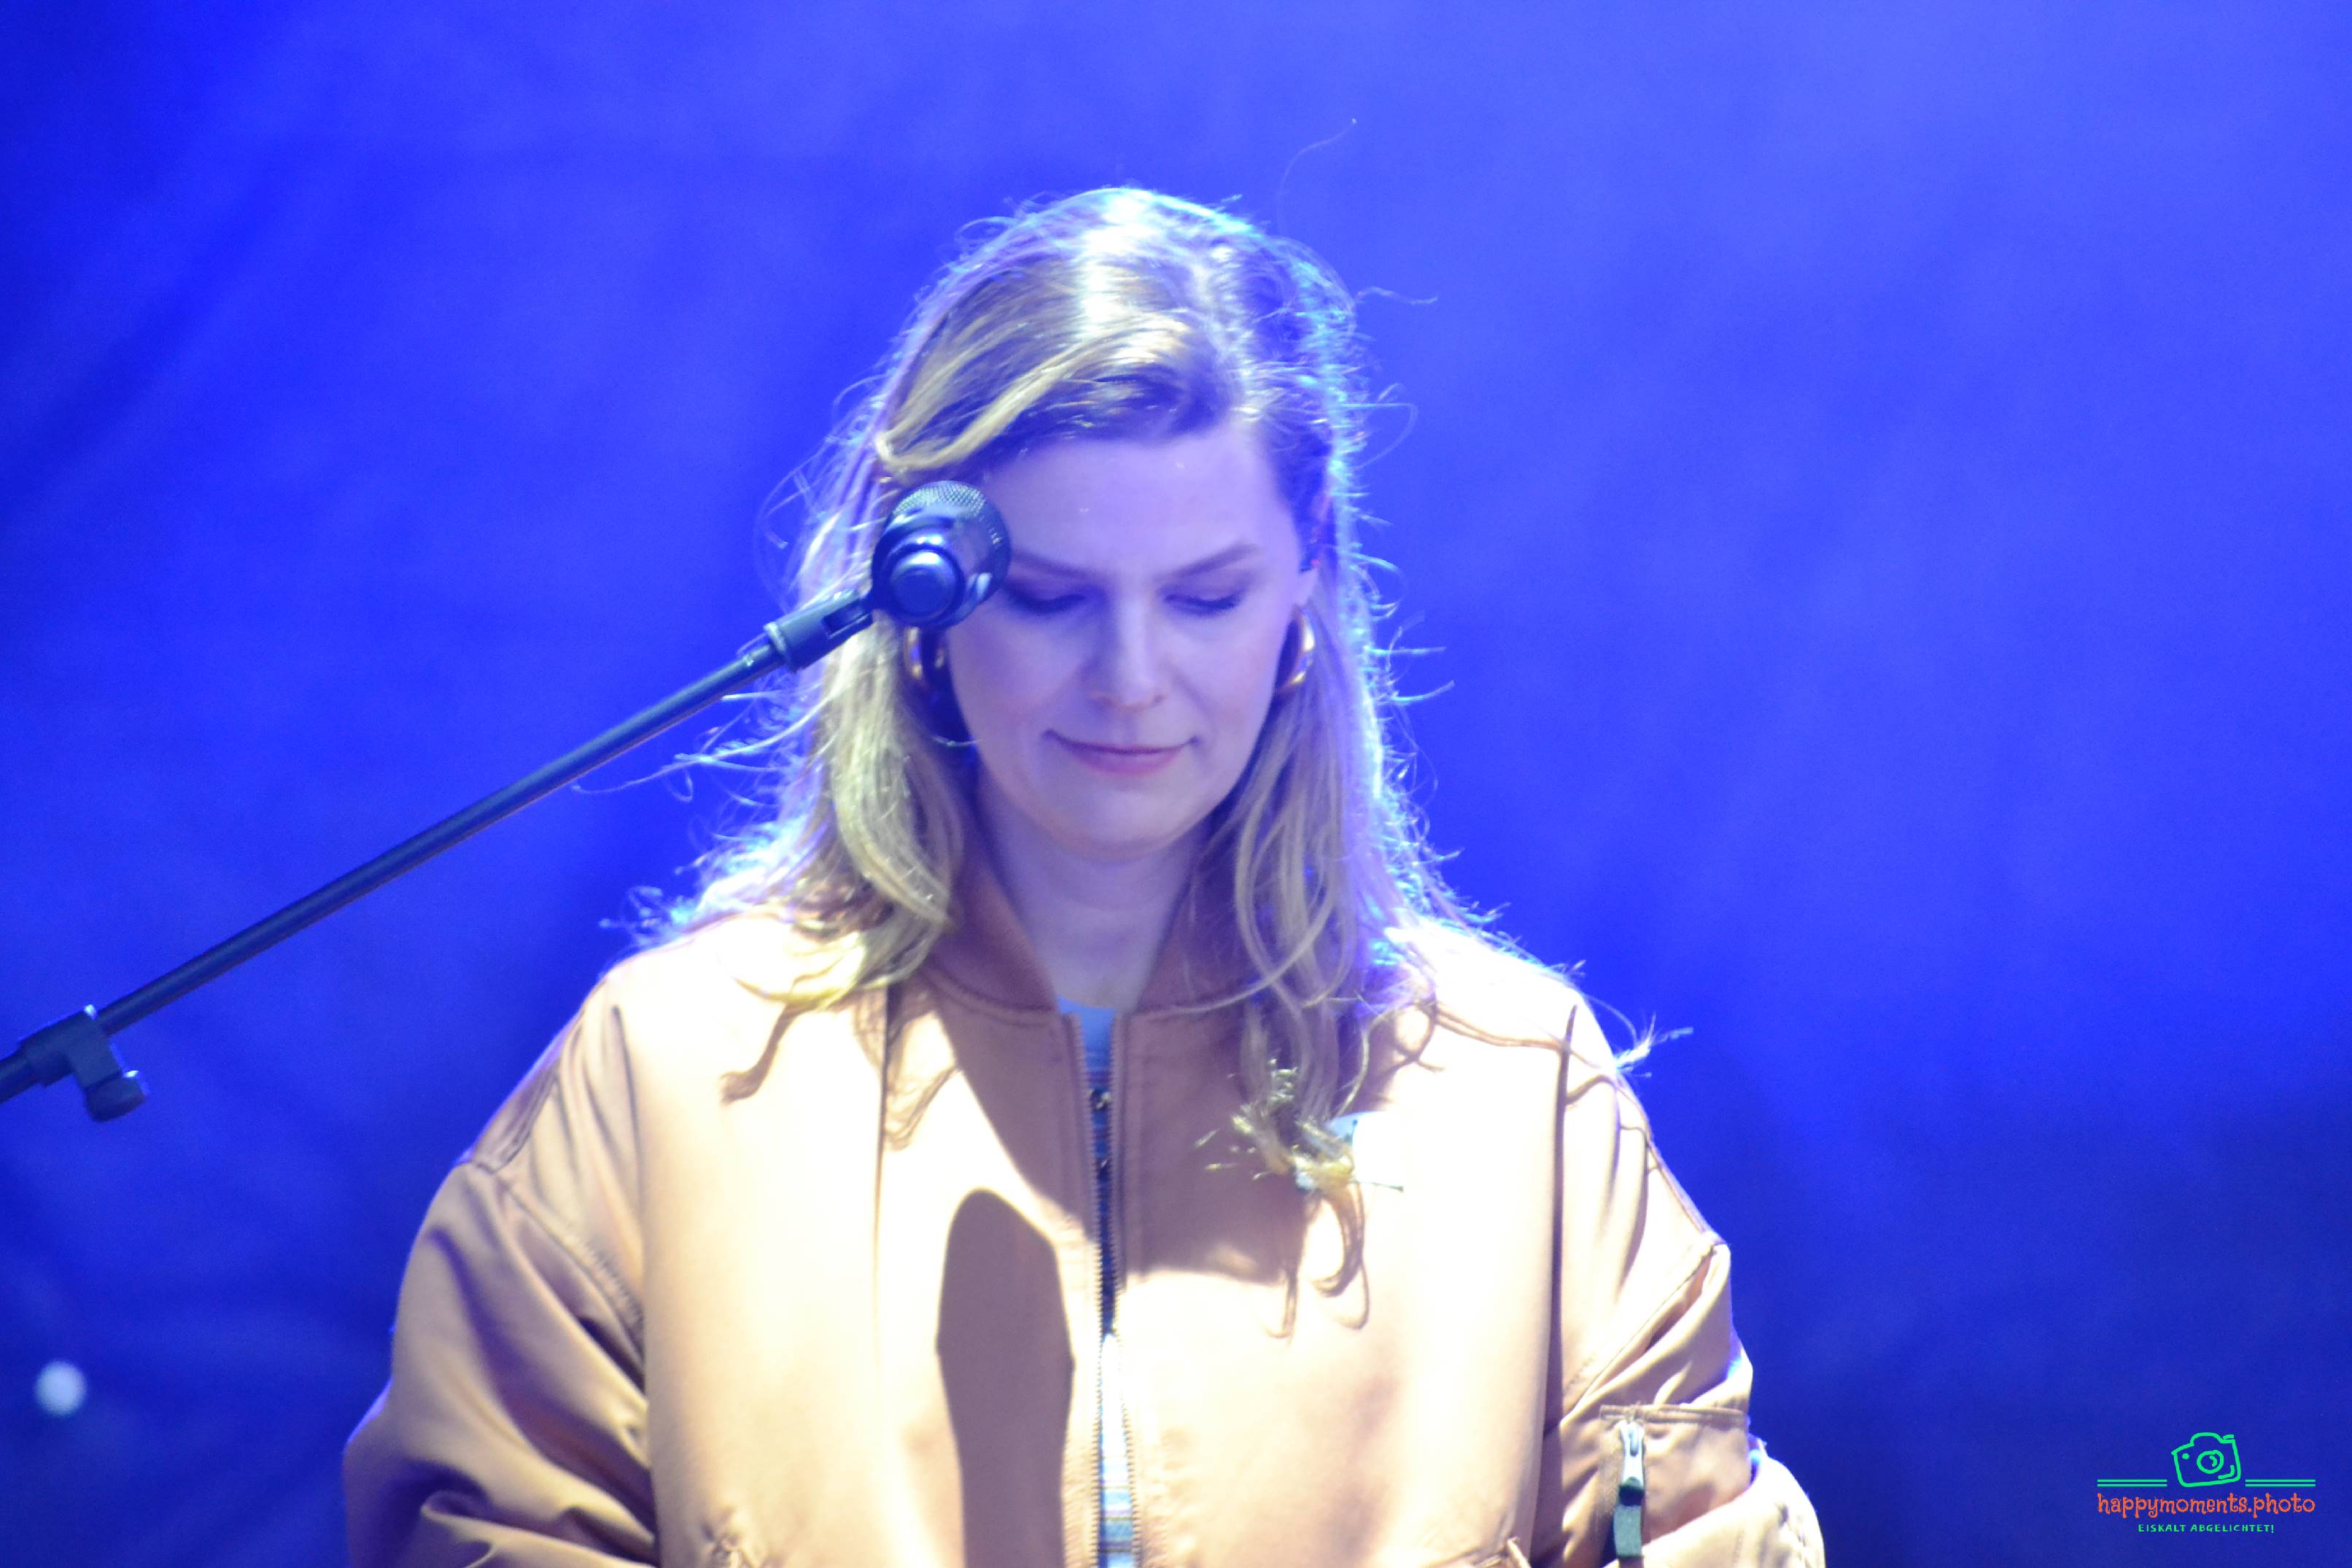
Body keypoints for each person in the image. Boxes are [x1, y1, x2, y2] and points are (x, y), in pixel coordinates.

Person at [344, 187, 1821, 1567]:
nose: (1129, 677)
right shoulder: (670, 1075)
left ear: (1307, 581)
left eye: (1204, 596)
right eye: (1052, 599)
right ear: (918, 596)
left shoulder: (1510, 1091)